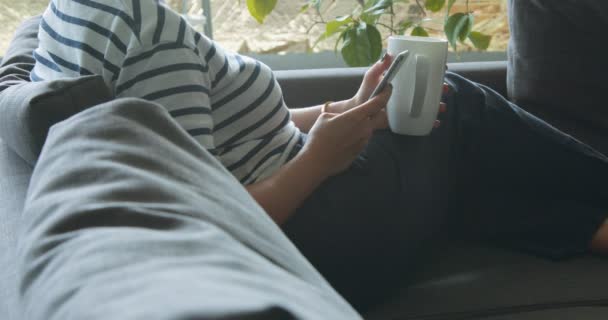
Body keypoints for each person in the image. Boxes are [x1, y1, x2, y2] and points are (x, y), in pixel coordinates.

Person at [31, 0, 608, 311]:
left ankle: (593, 228)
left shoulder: (68, 16)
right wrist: (319, 158)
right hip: (307, 236)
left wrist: (346, 109)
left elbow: (223, 142)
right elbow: (209, 215)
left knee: (442, 138)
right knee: (454, 104)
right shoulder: (145, 30)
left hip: (303, 202)